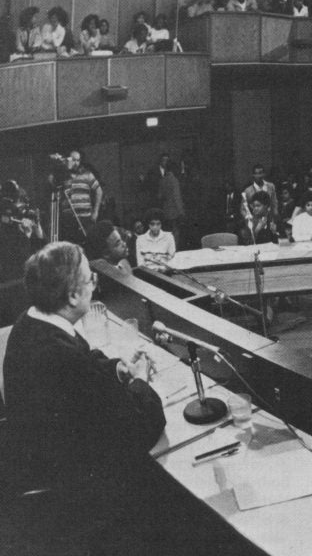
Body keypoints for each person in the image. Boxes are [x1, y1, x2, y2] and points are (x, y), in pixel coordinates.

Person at [2, 242, 164, 533]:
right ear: (73, 295)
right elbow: (141, 427)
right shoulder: (61, 356)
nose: (95, 284)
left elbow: (84, 358)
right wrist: (140, 379)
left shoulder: (31, 321)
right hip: (77, 491)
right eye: (90, 278)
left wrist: (118, 368)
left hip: (41, 460)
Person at [58, 150, 103, 244]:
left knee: (87, 244)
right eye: (73, 160)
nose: (76, 163)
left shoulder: (87, 174)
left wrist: (96, 212)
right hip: (68, 220)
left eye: (78, 160)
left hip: (85, 218)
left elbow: (99, 191)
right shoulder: (62, 176)